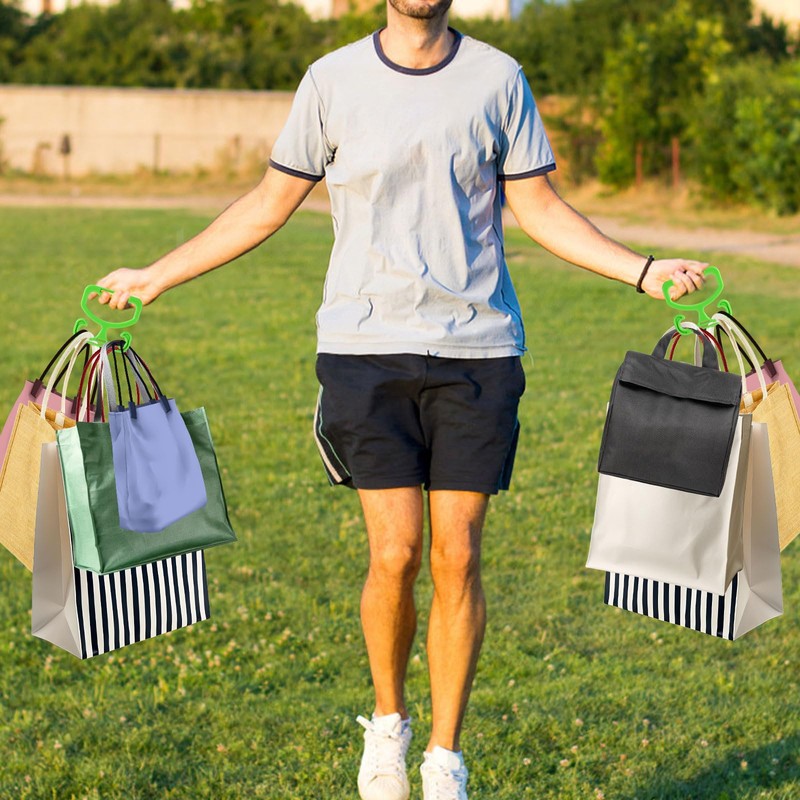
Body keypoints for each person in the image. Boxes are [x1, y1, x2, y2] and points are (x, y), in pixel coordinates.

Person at [95, 1, 707, 797]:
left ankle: (445, 759)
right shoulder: (331, 80)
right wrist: (155, 276)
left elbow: (540, 208)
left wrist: (643, 270)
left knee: (459, 556)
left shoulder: (499, 78)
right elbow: (268, 203)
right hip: (363, 351)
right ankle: (388, 727)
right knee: (396, 554)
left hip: (478, 353)